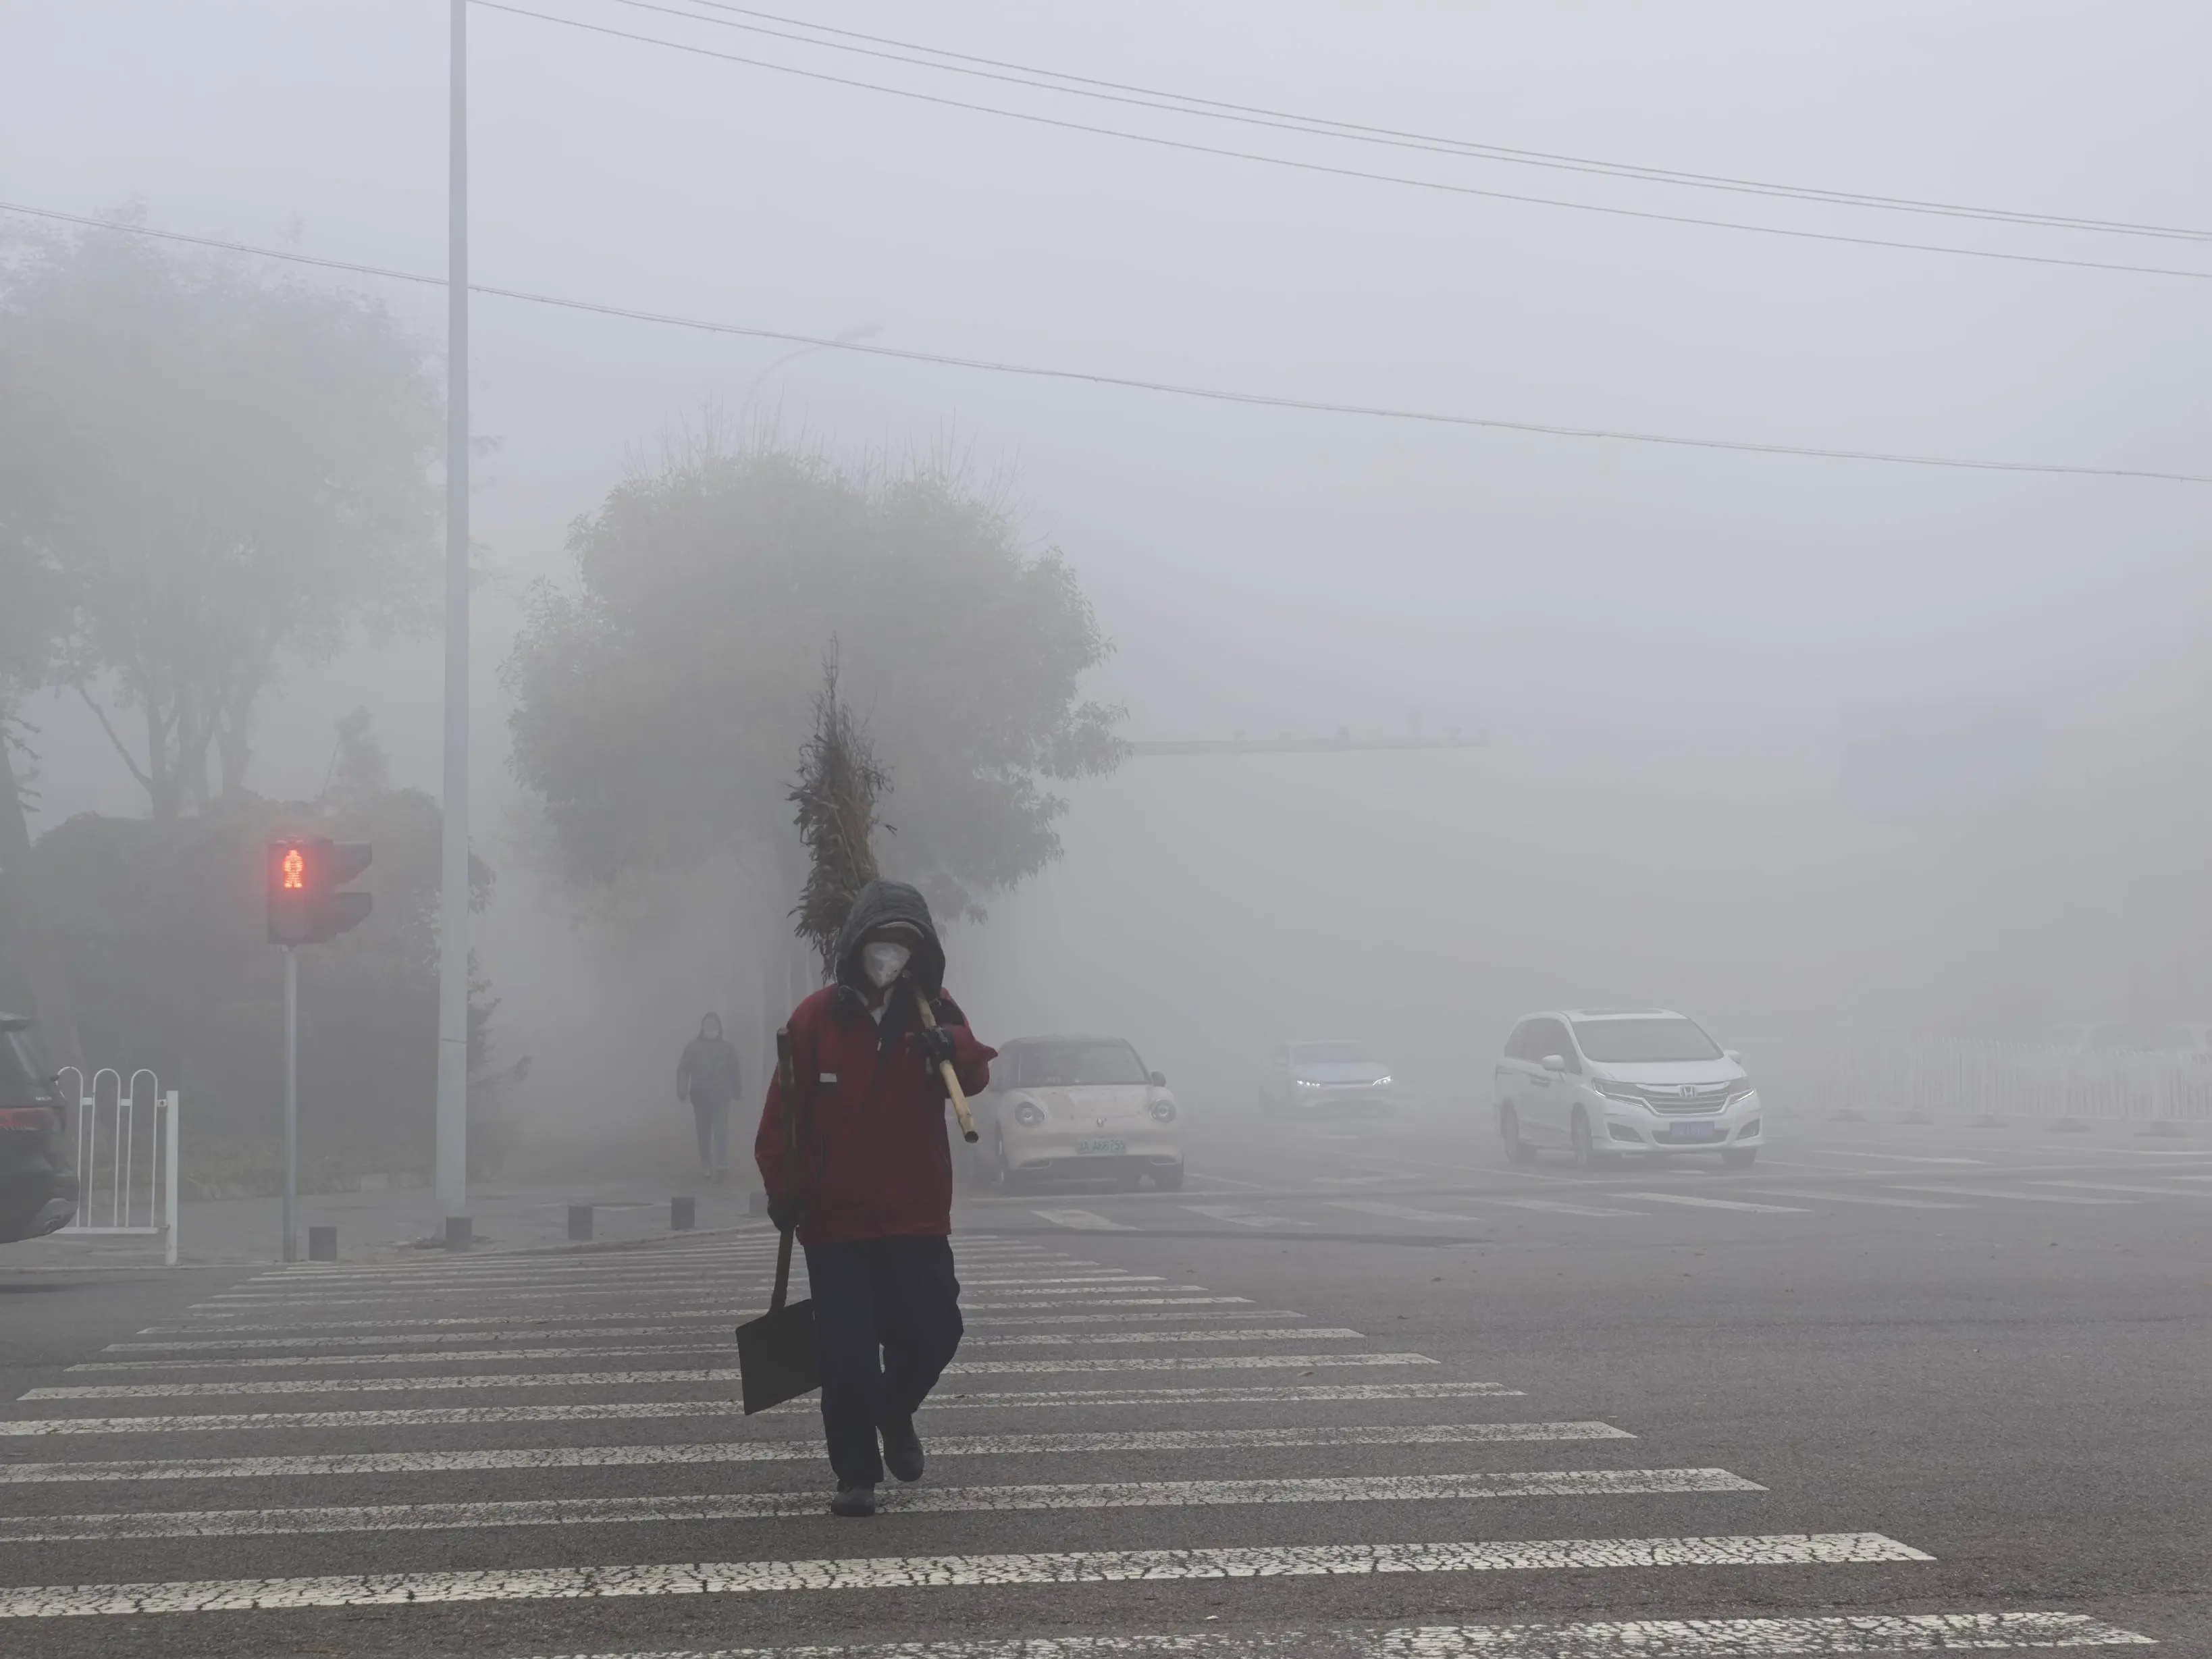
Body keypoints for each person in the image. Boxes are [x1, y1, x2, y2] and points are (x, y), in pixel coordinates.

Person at [755, 879, 995, 1517]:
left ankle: (896, 1411)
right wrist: (782, 1189)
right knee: (846, 1354)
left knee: (937, 1329)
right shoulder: (815, 1019)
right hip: (836, 1219)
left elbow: (973, 1074)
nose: (891, 956)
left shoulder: (934, 1012)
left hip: (915, 1211)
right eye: (881, 943)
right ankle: (855, 1471)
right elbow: (782, 1115)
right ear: (858, 944)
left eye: (905, 945)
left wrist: (955, 1047)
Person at [678, 1014, 742, 1182]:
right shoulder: (693, 1048)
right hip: (700, 1097)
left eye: (714, 1023)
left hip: (722, 1096)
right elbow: (683, 1069)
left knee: (721, 1131)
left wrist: (737, 1090)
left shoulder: (728, 1048)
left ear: (719, 1027)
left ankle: (722, 1164)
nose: (711, 1026)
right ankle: (706, 1163)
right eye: (708, 1023)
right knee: (703, 1132)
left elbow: (735, 1071)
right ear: (702, 1026)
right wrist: (682, 1089)